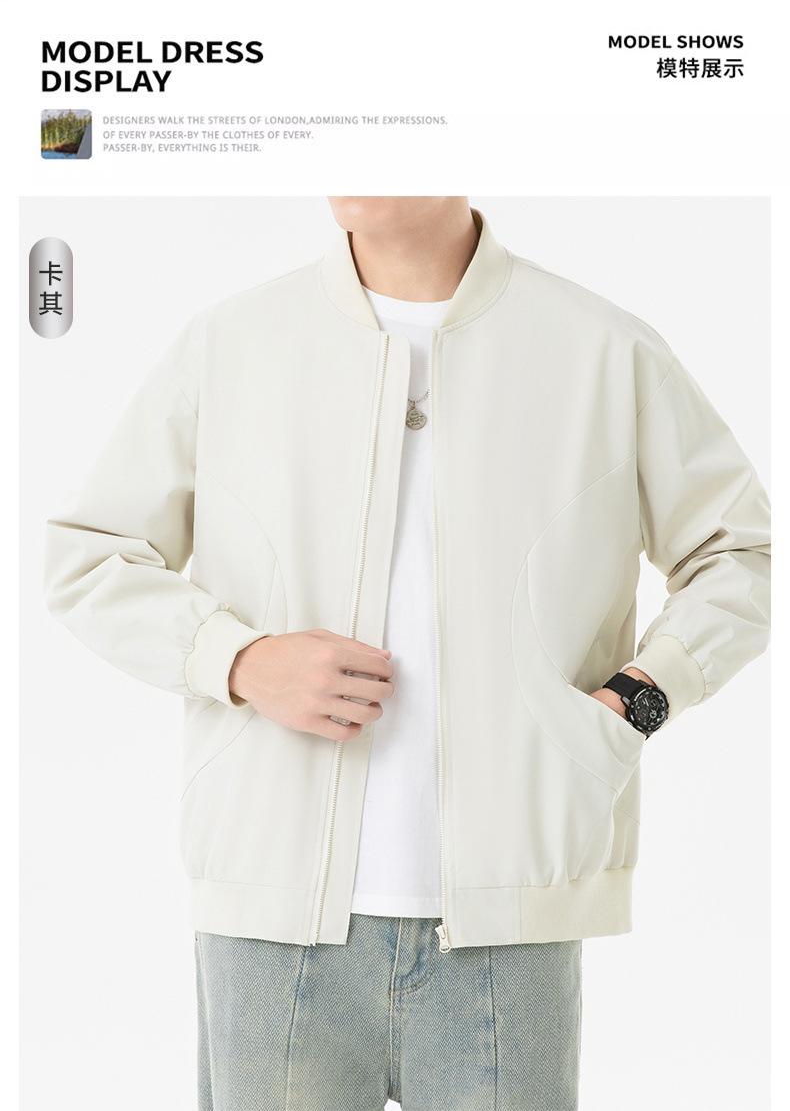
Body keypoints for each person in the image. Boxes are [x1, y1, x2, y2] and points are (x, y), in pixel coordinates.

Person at [44, 198, 771, 1110]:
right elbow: (90, 556)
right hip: (271, 922)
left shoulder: (602, 348)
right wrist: (239, 658)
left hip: (511, 923)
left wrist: (639, 697)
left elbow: (738, 554)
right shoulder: (233, 343)